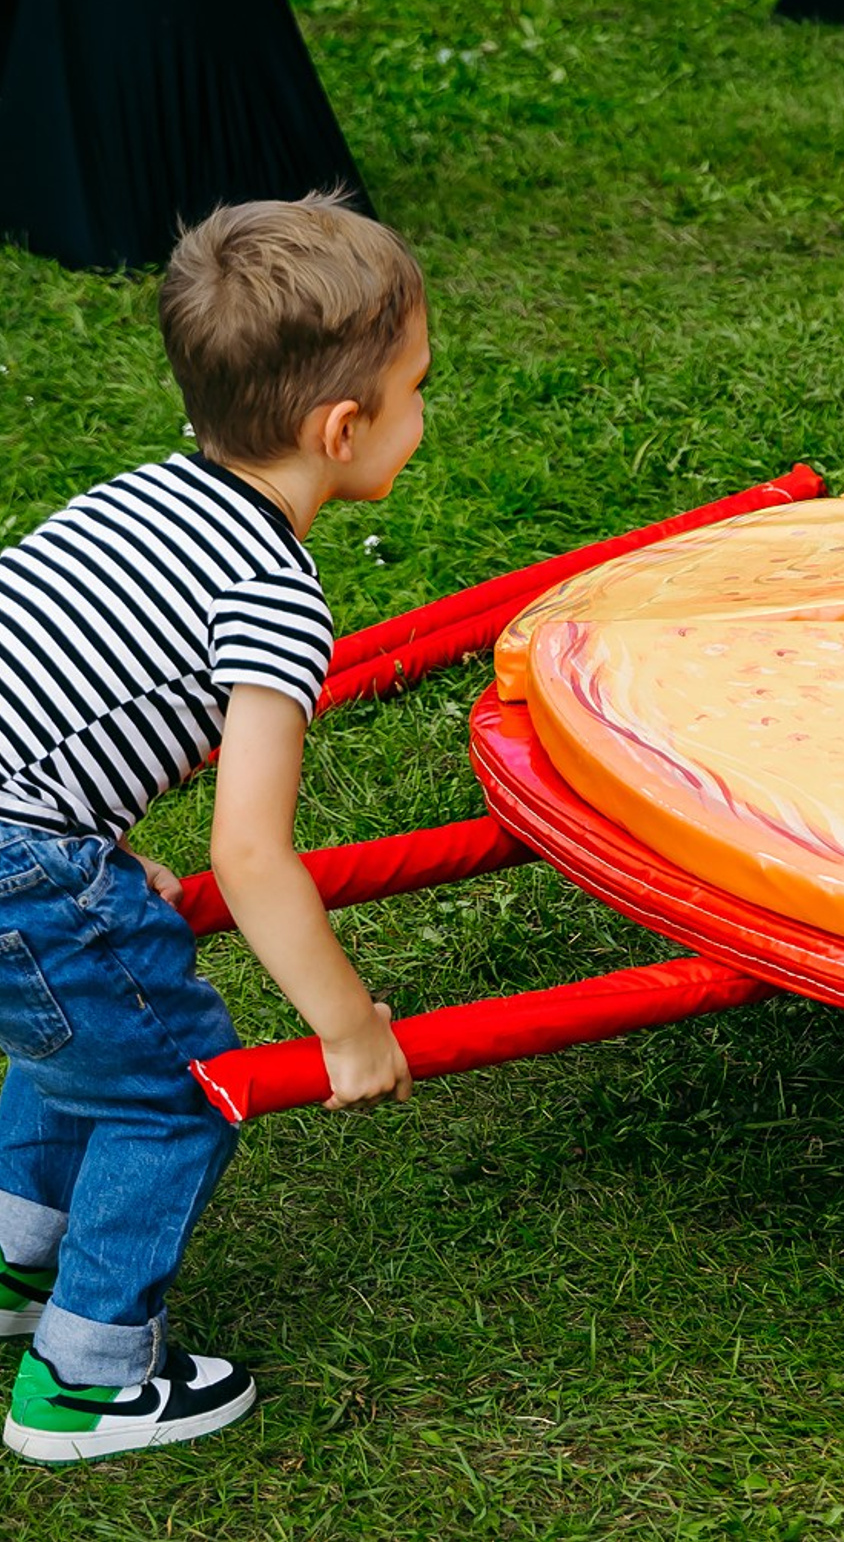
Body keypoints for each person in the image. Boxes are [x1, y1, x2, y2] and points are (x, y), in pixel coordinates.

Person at [0, 195, 430, 1463]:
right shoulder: (273, 592)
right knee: (172, 1089)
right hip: (19, 861)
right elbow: (250, 854)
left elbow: (50, 671)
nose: (421, 415)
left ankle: (17, 1259)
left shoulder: (146, 496)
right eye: (416, 390)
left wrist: (86, 826)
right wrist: (349, 1027)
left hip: (18, 823)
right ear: (341, 428)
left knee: (73, 1043)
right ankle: (81, 1381)